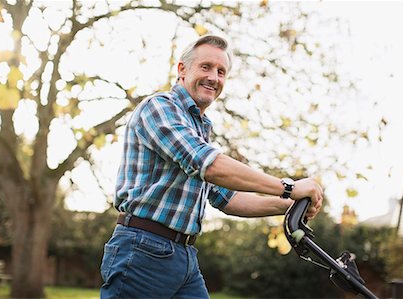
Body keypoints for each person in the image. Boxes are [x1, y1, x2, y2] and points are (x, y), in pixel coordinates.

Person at [100, 35, 324, 299]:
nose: (214, 78)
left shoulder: (199, 128)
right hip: (142, 250)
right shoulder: (159, 108)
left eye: (221, 72)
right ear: (182, 70)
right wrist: (288, 188)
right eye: (205, 67)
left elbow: (228, 199)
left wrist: (289, 206)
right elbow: (208, 164)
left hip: (184, 256)